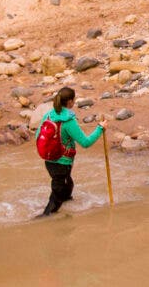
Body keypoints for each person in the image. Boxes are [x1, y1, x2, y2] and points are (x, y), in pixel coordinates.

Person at [35, 86, 104, 216]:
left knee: (67, 185)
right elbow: (85, 142)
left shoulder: (48, 115)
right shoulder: (68, 121)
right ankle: (45, 217)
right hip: (62, 163)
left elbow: (37, 135)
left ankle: (66, 209)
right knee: (57, 195)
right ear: (70, 102)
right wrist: (100, 128)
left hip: (49, 161)